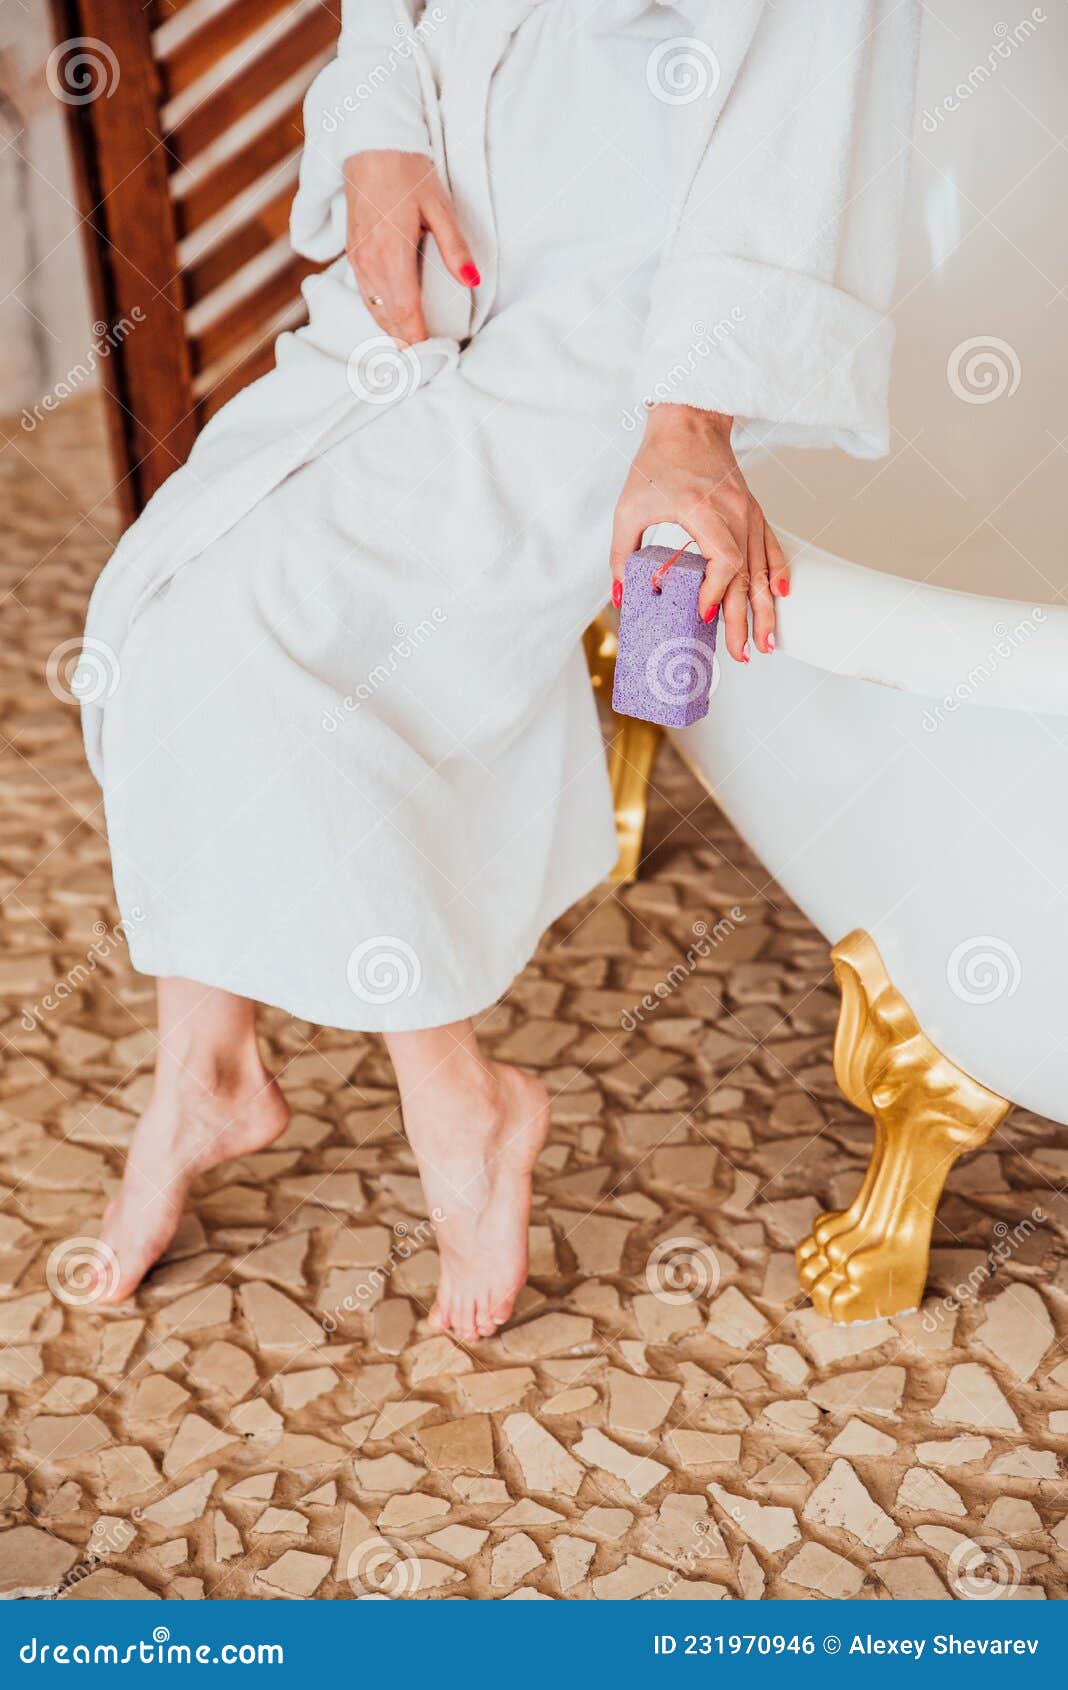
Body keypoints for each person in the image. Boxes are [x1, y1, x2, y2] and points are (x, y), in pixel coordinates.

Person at [79, 0, 918, 1339]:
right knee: (152, 606)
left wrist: (690, 415)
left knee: (267, 633)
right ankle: (207, 1066)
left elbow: (801, 102)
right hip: (426, 275)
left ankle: (458, 1097)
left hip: (616, 347)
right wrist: (377, 134)